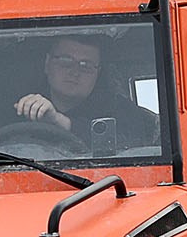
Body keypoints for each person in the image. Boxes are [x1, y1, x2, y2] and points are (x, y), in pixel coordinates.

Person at [12, 33, 161, 153]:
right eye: (65, 61)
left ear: (98, 72)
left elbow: (132, 149)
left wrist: (58, 121)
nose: (75, 71)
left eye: (86, 65)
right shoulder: (19, 108)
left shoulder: (124, 113)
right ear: (47, 64)